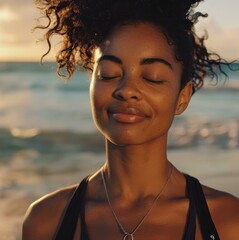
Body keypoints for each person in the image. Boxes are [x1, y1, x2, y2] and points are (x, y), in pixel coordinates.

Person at [23, 0, 239, 239]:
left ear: (182, 97)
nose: (127, 90)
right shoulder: (45, 221)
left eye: (152, 77)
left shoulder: (228, 221)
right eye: (108, 74)